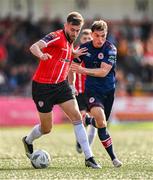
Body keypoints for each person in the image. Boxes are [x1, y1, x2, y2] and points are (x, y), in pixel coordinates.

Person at [22, 12, 101, 169]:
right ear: (66, 26)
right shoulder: (56, 36)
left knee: (77, 117)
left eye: (77, 30)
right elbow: (34, 46)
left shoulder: (70, 42)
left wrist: (74, 54)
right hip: (42, 87)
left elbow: (64, 54)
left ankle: (89, 157)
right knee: (46, 128)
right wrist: (41, 54)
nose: (75, 33)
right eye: (72, 29)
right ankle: (28, 140)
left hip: (61, 85)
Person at [71, 20, 122, 167]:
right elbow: (72, 66)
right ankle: (113, 158)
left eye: (103, 36)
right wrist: (70, 84)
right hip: (92, 91)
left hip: (109, 91)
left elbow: (104, 71)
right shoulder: (84, 48)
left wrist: (83, 70)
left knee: (102, 124)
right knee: (101, 120)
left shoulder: (111, 49)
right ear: (92, 34)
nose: (100, 39)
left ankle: (88, 121)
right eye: (97, 35)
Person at [69, 29, 97, 153]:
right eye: (84, 39)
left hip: (93, 91)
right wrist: (71, 85)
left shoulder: (96, 53)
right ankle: (82, 143)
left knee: (95, 119)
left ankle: (87, 146)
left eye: (89, 39)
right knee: (82, 118)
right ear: (80, 40)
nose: (86, 41)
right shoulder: (76, 52)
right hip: (79, 92)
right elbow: (70, 69)